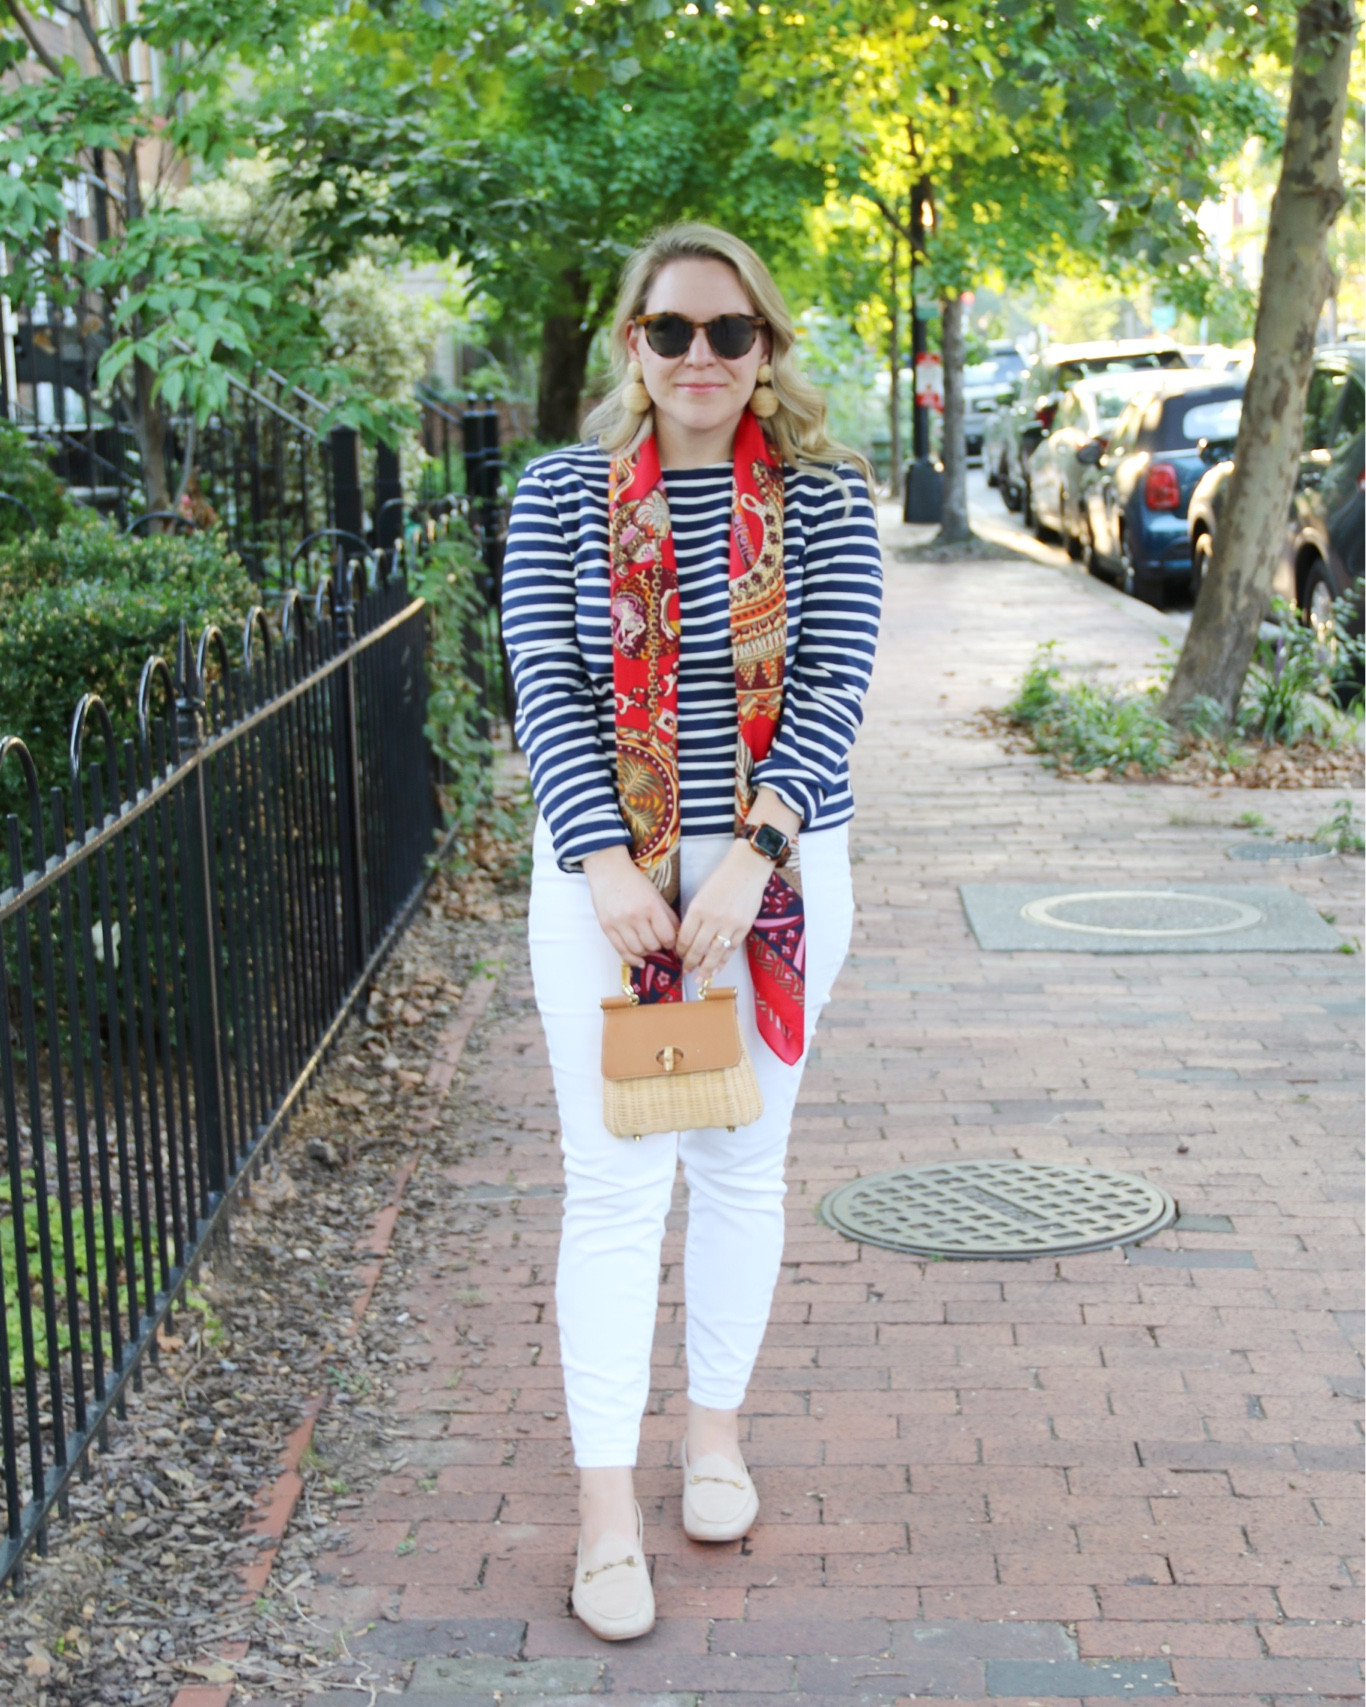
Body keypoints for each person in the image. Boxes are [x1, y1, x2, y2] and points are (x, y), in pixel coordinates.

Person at [501, 222, 882, 1641]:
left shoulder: (830, 499)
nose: (703, 358)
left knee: (740, 1165)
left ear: (767, 347)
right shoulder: (556, 499)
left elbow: (834, 683)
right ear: (631, 347)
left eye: (731, 333)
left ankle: (711, 1439)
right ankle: (607, 1515)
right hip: (603, 888)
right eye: (673, 332)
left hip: (777, 885)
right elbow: (542, 683)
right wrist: (608, 869)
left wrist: (748, 867)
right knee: (613, 1185)